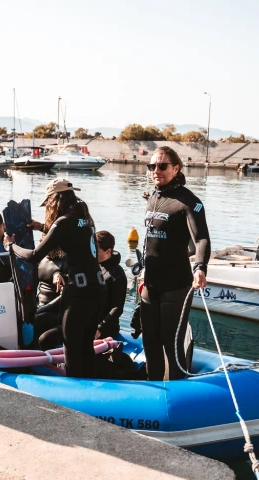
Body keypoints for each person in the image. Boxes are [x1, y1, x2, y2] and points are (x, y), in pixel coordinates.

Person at [5, 179, 104, 378]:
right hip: (98, 290)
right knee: (86, 348)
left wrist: (11, 246)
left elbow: (34, 257)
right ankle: (93, 397)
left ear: (54, 200)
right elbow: (70, 236)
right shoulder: (85, 218)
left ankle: (74, 402)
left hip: (79, 294)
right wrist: (42, 227)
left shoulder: (62, 223)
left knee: (72, 350)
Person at [138, 145, 210, 381]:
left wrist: (200, 267)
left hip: (176, 286)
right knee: (150, 341)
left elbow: (201, 239)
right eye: (152, 166)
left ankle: (179, 393)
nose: (156, 170)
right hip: (150, 285)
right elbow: (150, 240)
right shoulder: (153, 198)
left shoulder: (188, 201)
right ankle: (154, 389)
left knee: (171, 343)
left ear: (176, 168)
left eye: (162, 166)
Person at [95, 230, 127, 340]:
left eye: (96, 250)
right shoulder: (95, 266)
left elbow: (117, 308)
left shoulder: (117, 274)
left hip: (106, 329)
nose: (92, 252)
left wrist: (100, 329)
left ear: (108, 251)